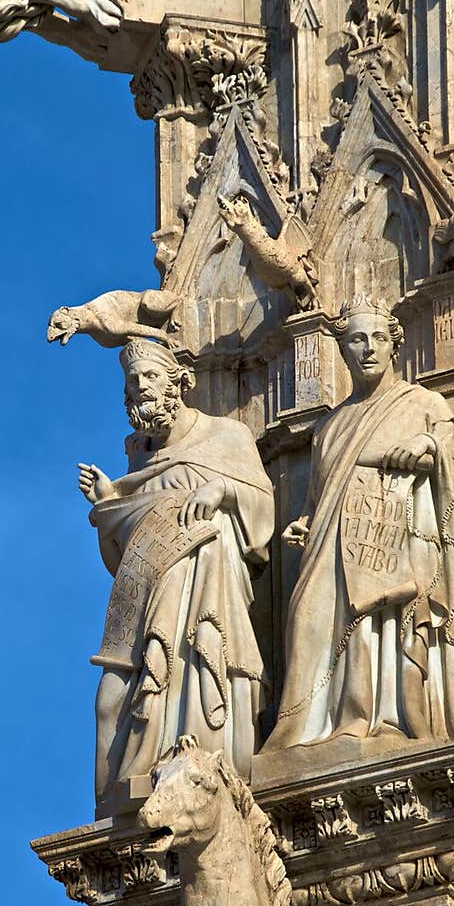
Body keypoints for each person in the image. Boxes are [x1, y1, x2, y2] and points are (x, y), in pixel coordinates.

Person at [265, 294, 454, 752]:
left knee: (373, 623)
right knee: (306, 619)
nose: (369, 349)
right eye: (357, 339)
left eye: (379, 338)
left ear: (394, 345)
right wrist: (302, 523)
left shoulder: (423, 403)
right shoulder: (330, 427)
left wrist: (426, 446)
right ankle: (314, 725)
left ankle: (379, 719)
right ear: (343, 349)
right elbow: (320, 496)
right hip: (334, 545)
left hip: (394, 539)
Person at [80, 337, 274, 800]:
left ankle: (202, 766)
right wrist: (111, 507)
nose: (141, 387)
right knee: (110, 699)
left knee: (193, 666)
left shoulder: (227, 436)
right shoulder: (139, 459)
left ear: (178, 383)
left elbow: (263, 510)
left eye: (150, 377)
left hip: (206, 584)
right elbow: (124, 561)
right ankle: (119, 798)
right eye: (133, 381)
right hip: (148, 595)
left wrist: (223, 491)